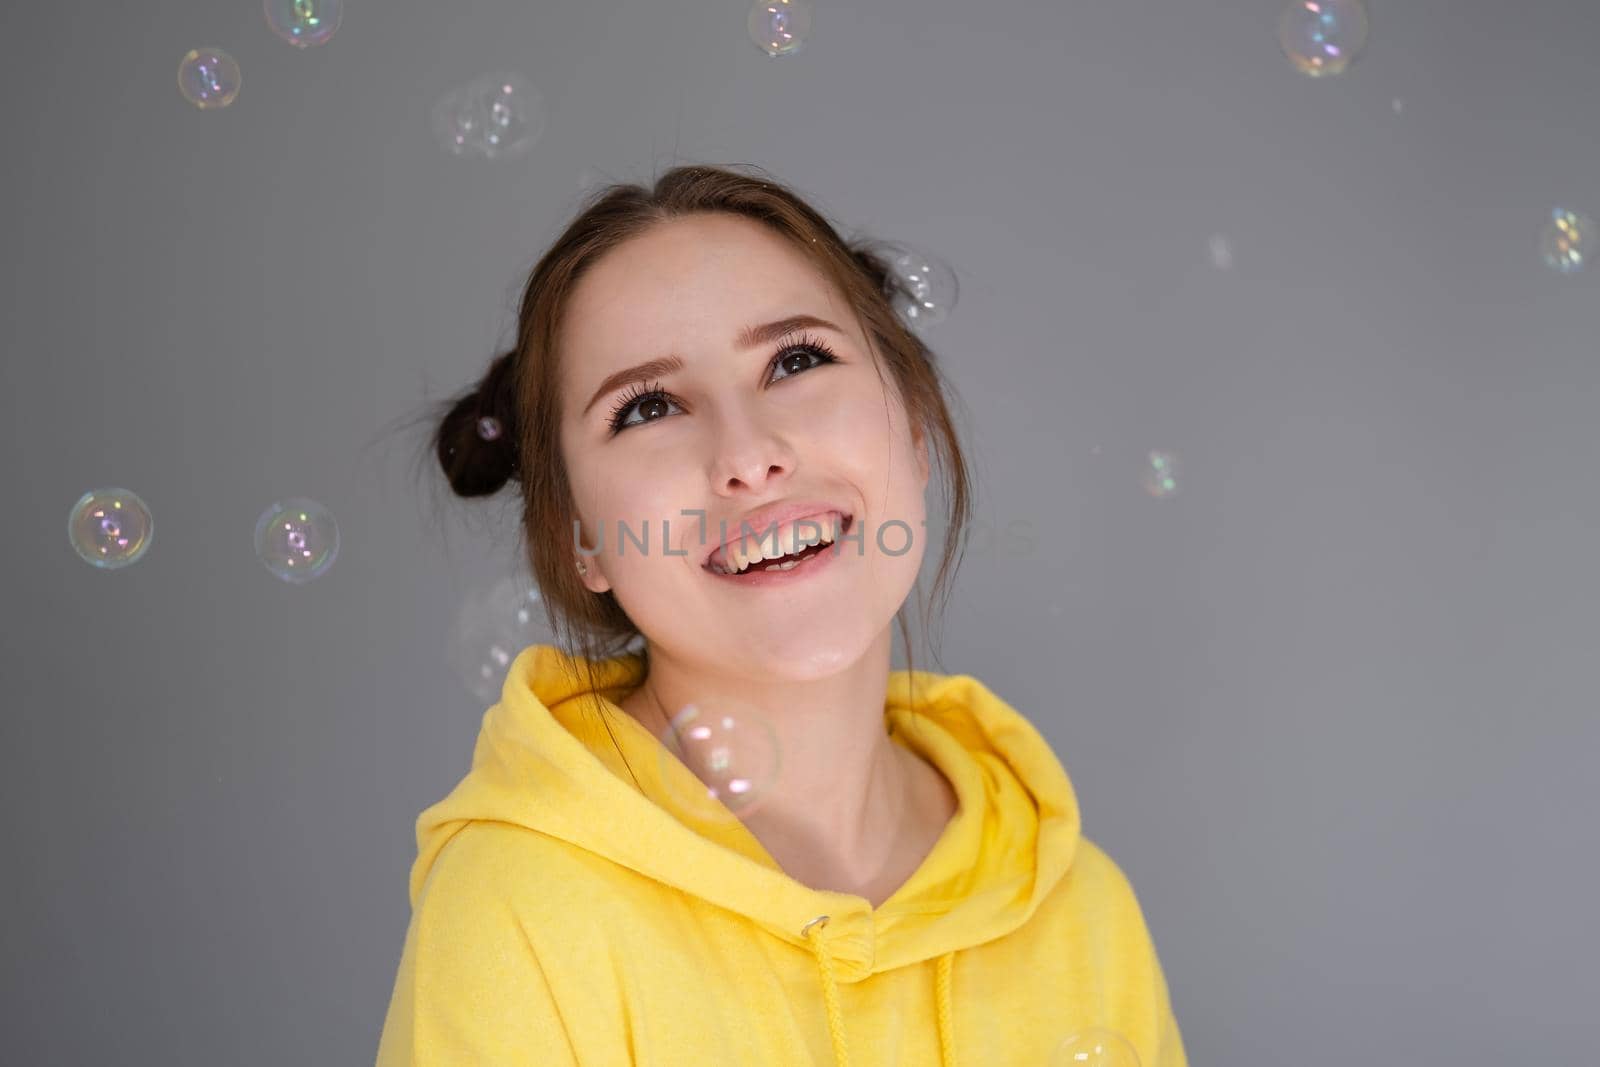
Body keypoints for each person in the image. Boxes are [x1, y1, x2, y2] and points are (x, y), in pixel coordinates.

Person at [375, 164, 1188, 1066]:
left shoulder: (1081, 910)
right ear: (580, 537)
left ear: (914, 426)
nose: (750, 454)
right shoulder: (517, 908)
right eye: (648, 407)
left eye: (796, 360)